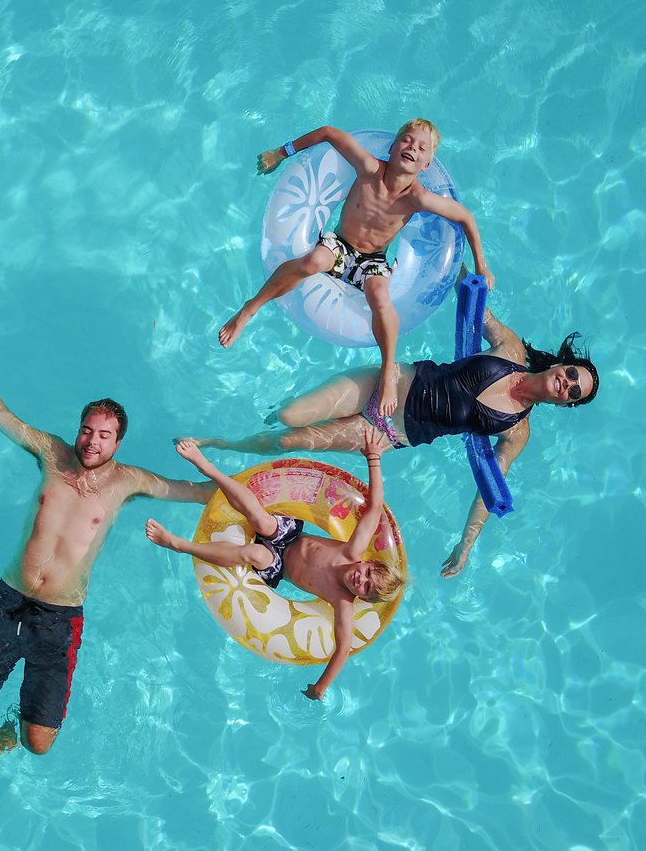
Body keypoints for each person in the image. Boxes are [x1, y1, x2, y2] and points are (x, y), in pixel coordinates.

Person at [0, 321, 214, 821]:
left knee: (38, 743)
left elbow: (195, 491)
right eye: (87, 430)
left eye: (104, 435)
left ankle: (11, 728)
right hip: (9, 599)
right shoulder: (51, 453)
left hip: (58, 618)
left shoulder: (130, 483)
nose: (91, 441)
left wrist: (260, 490)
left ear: (118, 442)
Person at [194, 300, 598, 580]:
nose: (567, 385)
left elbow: (490, 486)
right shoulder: (511, 349)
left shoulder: (516, 430)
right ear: (564, 364)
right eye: (572, 375)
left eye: (573, 393)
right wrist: (457, 255)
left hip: (386, 432)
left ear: (566, 405)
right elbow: (474, 302)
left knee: (289, 442)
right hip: (390, 382)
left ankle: (223, 445)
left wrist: (467, 543)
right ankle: (238, 437)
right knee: (289, 416)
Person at [218, 120, 495, 420]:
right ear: (392, 146)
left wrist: (482, 266)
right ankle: (250, 308)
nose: (411, 148)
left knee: (380, 298)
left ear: (427, 164)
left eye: (420, 148)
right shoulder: (369, 168)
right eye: (406, 140)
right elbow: (328, 132)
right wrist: (280, 153)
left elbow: (466, 218)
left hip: (372, 260)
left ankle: (388, 371)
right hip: (340, 244)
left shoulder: (419, 199)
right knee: (313, 262)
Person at [144, 433, 405, 701]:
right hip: (288, 535)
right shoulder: (352, 551)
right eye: (368, 573)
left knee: (254, 553)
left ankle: (178, 544)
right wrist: (374, 458)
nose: (361, 579)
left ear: (362, 597)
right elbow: (374, 508)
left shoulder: (342, 602)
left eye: (366, 588)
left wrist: (320, 688)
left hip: (276, 564)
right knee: (262, 521)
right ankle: (206, 466)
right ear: (369, 562)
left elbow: (343, 650)